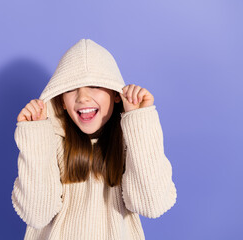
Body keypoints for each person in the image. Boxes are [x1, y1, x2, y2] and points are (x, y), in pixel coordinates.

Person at [11, 38, 177, 240]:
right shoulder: (49, 144)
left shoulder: (129, 144)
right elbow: (36, 214)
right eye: (71, 88)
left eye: (95, 86)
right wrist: (36, 137)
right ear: (61, 100)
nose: (83, 97)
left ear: (116, 95)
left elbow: (152, 204)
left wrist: (139, 120)